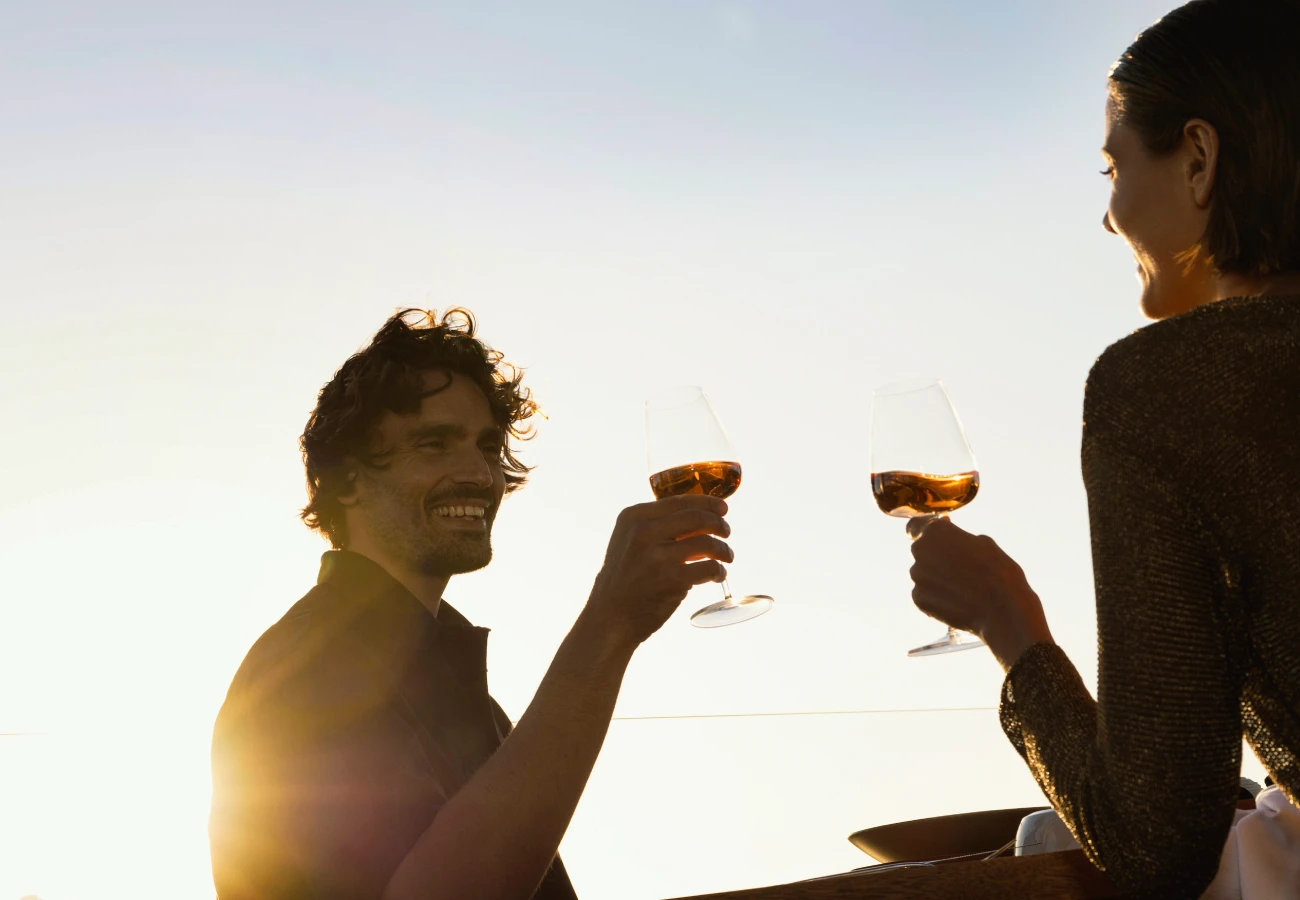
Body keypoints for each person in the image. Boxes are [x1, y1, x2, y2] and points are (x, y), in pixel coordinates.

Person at [904, 2, 1300, 898]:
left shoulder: (1166, 387)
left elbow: (1159, 840)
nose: (1109, 214)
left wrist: (1011, 626)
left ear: (1198, 159)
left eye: (1114, 166)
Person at [208, 309, 733, 899]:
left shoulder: (460, 689)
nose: (480, 475)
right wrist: (607, 629)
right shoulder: (310, 662)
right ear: (346, 479)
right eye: (433, 444)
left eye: (487, 446)